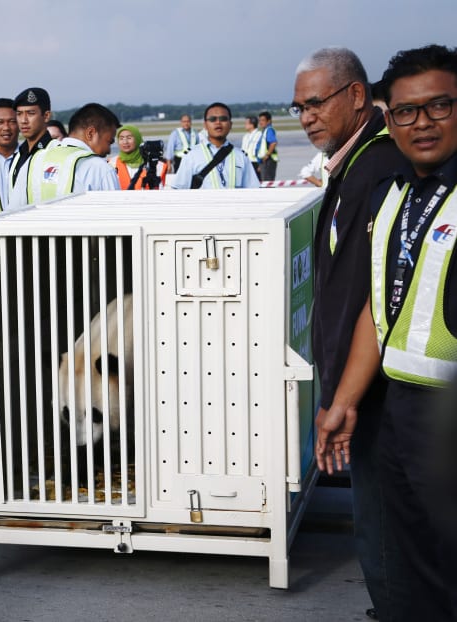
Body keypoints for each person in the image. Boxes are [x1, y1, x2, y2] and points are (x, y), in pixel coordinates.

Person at [291, 47, 407, 620]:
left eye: (316, 102)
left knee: (388, 532)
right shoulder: (352, 163)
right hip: (359, 391)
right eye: (299, 107)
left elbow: (374, 298)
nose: (307, 116)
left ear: (357, 96)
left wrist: (345, 396)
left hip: (379, 394)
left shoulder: (380, 168)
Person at [350, 44, 457, 621]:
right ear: (388, 120)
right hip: (401, 410)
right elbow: (381, 305)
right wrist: (345, 401)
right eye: (407, 111)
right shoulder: (396, 195)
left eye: (439, 106)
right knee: (415, 571)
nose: (422, 123)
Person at [8, 102, 120, 207]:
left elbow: (13, 212)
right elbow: (116, 218)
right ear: (90, 133)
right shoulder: (100, 169)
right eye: (109, 142)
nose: (109, 151)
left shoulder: (34, 161)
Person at [170, 103, 259, 189]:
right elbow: (179, 190)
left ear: (230, 124)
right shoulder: (191, 156)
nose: (218, 123)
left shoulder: (241, 156)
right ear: (205, 125)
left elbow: (253, 190)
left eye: (223, 119)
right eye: (212, 119)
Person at [10, 87, 54, 186]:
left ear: (46, 116)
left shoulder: (56, 152)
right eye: (19, 114)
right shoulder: (18, 156)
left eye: (30, 113)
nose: (24, 120)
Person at [108, 124, 167, 189]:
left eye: (129, 138)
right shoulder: (111, 164)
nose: (125, 142)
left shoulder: (157, 165)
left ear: (137, 139)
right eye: (121, 138)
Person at [256, 111, 278, 181]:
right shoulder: (264, 131)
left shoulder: (269, 130)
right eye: (259, 120)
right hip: (264, 161)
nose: (260, 122)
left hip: (268, 160)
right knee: (264, 181)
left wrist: (267, 155)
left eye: (263, 120)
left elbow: (273, 143)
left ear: (269, 121)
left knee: (267, 182)